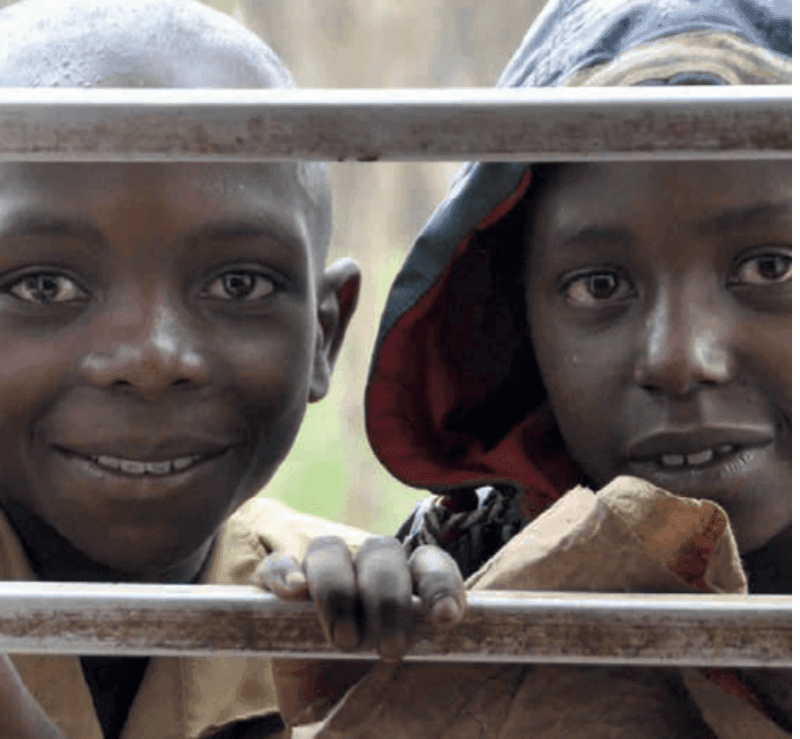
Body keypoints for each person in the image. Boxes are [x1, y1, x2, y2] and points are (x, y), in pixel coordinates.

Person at [268, 0, 792, 736]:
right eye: (600, 285)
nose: (681, 358)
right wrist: (374, 668)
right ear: (515, 327)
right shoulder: (468, 570)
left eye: (772, 266)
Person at [0, 2, 465, 738]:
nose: (152, 360)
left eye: (237, 284)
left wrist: (418, 694)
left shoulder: (354, 618)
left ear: (325, 333)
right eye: (43, 286)